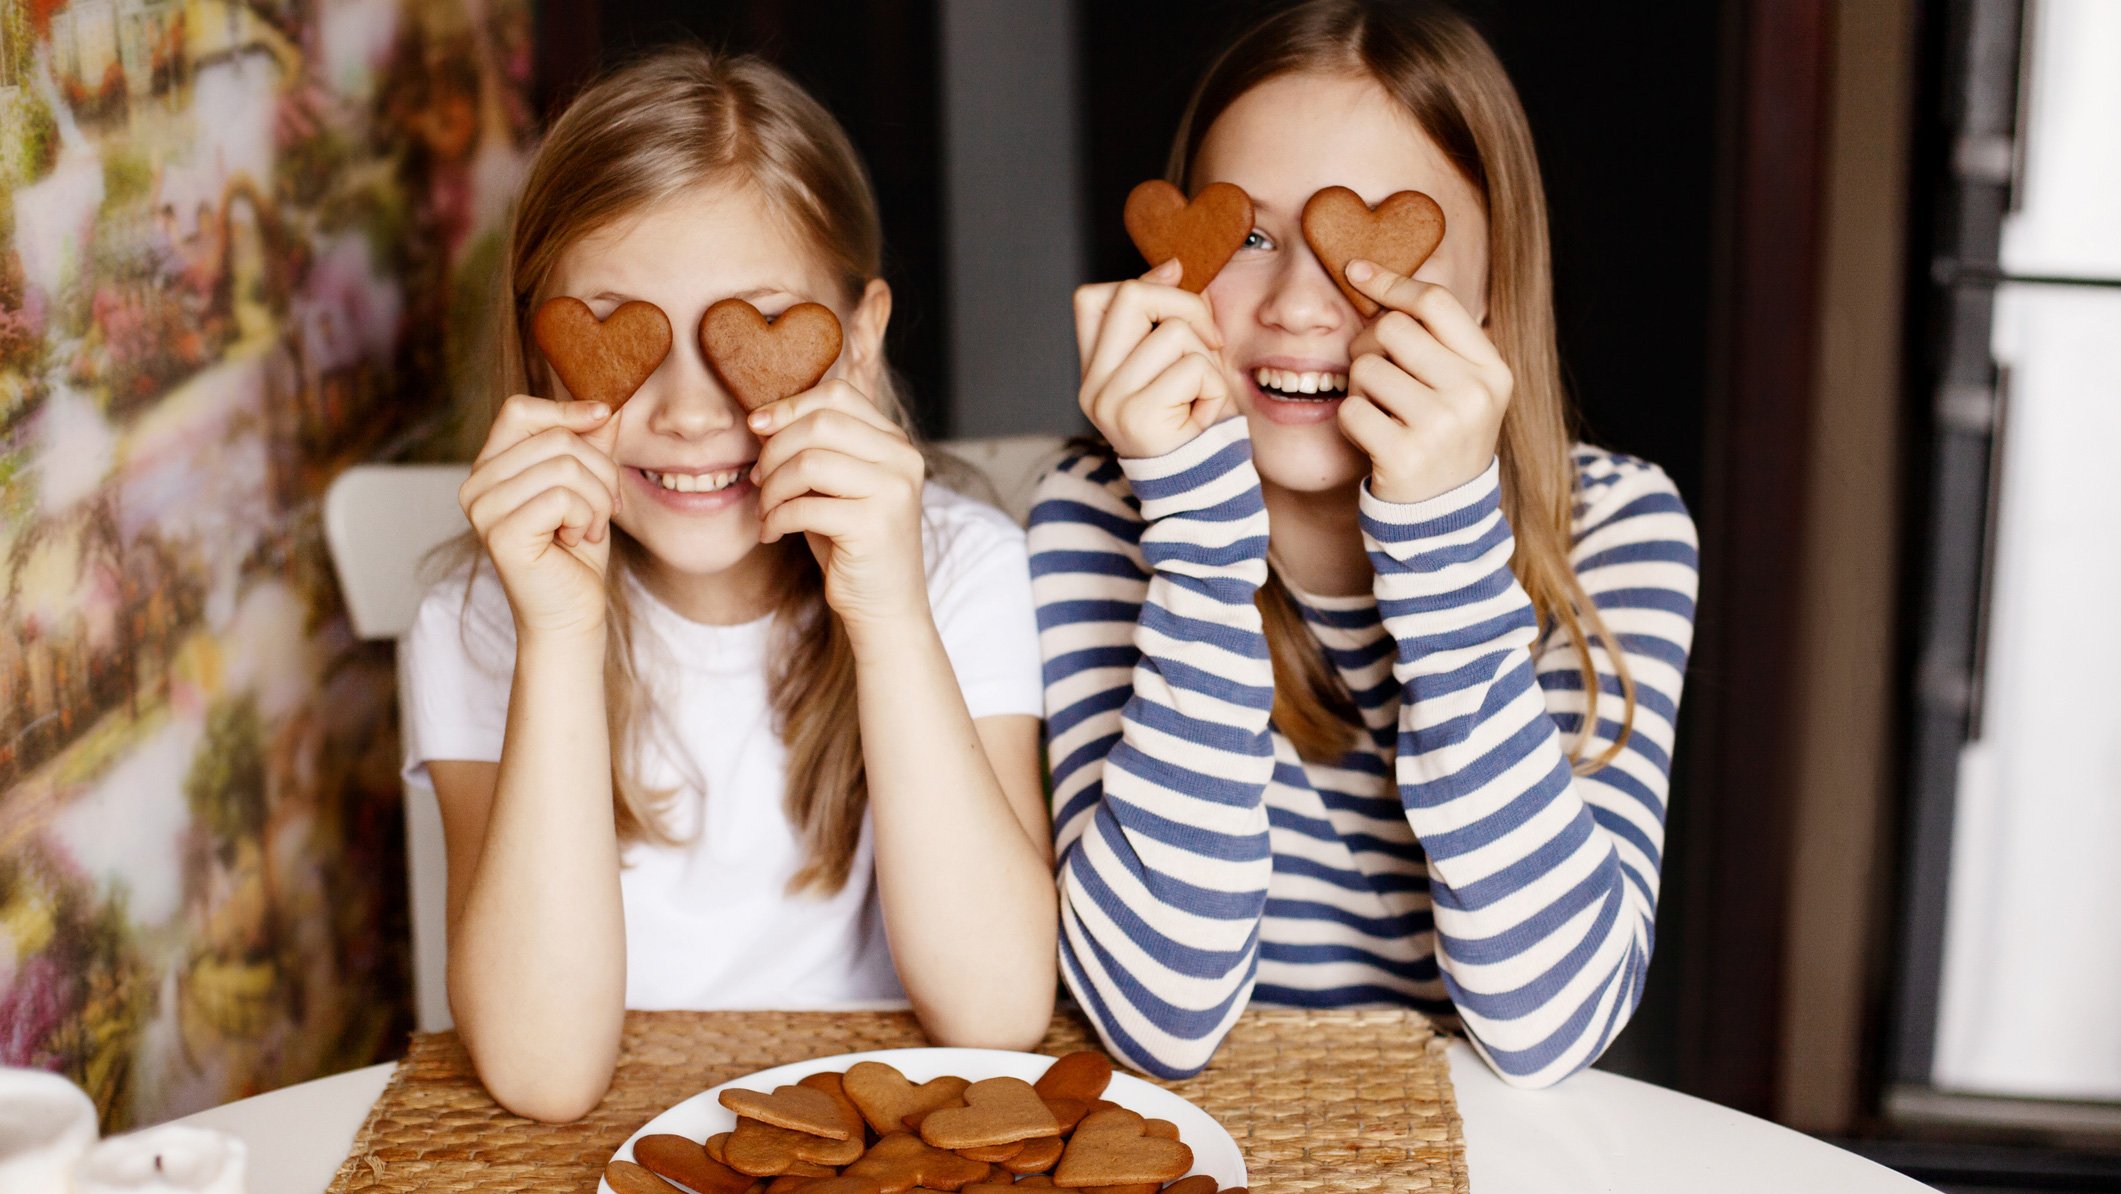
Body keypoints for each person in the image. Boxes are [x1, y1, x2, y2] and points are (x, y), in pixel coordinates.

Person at [1032, 0, 1699, 1088]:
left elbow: (1550, 1028)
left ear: (1491, 290)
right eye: (1247, 237)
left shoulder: (1617, 526)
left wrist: (1443, 540)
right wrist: (1196, 543)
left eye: (1378, 238)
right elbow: (1157, 1022)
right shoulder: (1099, 516)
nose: (1299, 305)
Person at [401, 47, 1055, 1122]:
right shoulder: (479, 622)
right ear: (547, 350)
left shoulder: (961, 569)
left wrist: (888, 616)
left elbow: (997, 1014)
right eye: (625, 335)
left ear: (857, 342)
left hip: (894, 1139)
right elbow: (542, 1074)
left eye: (749, 332)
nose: (692, 414)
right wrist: (559, 635)